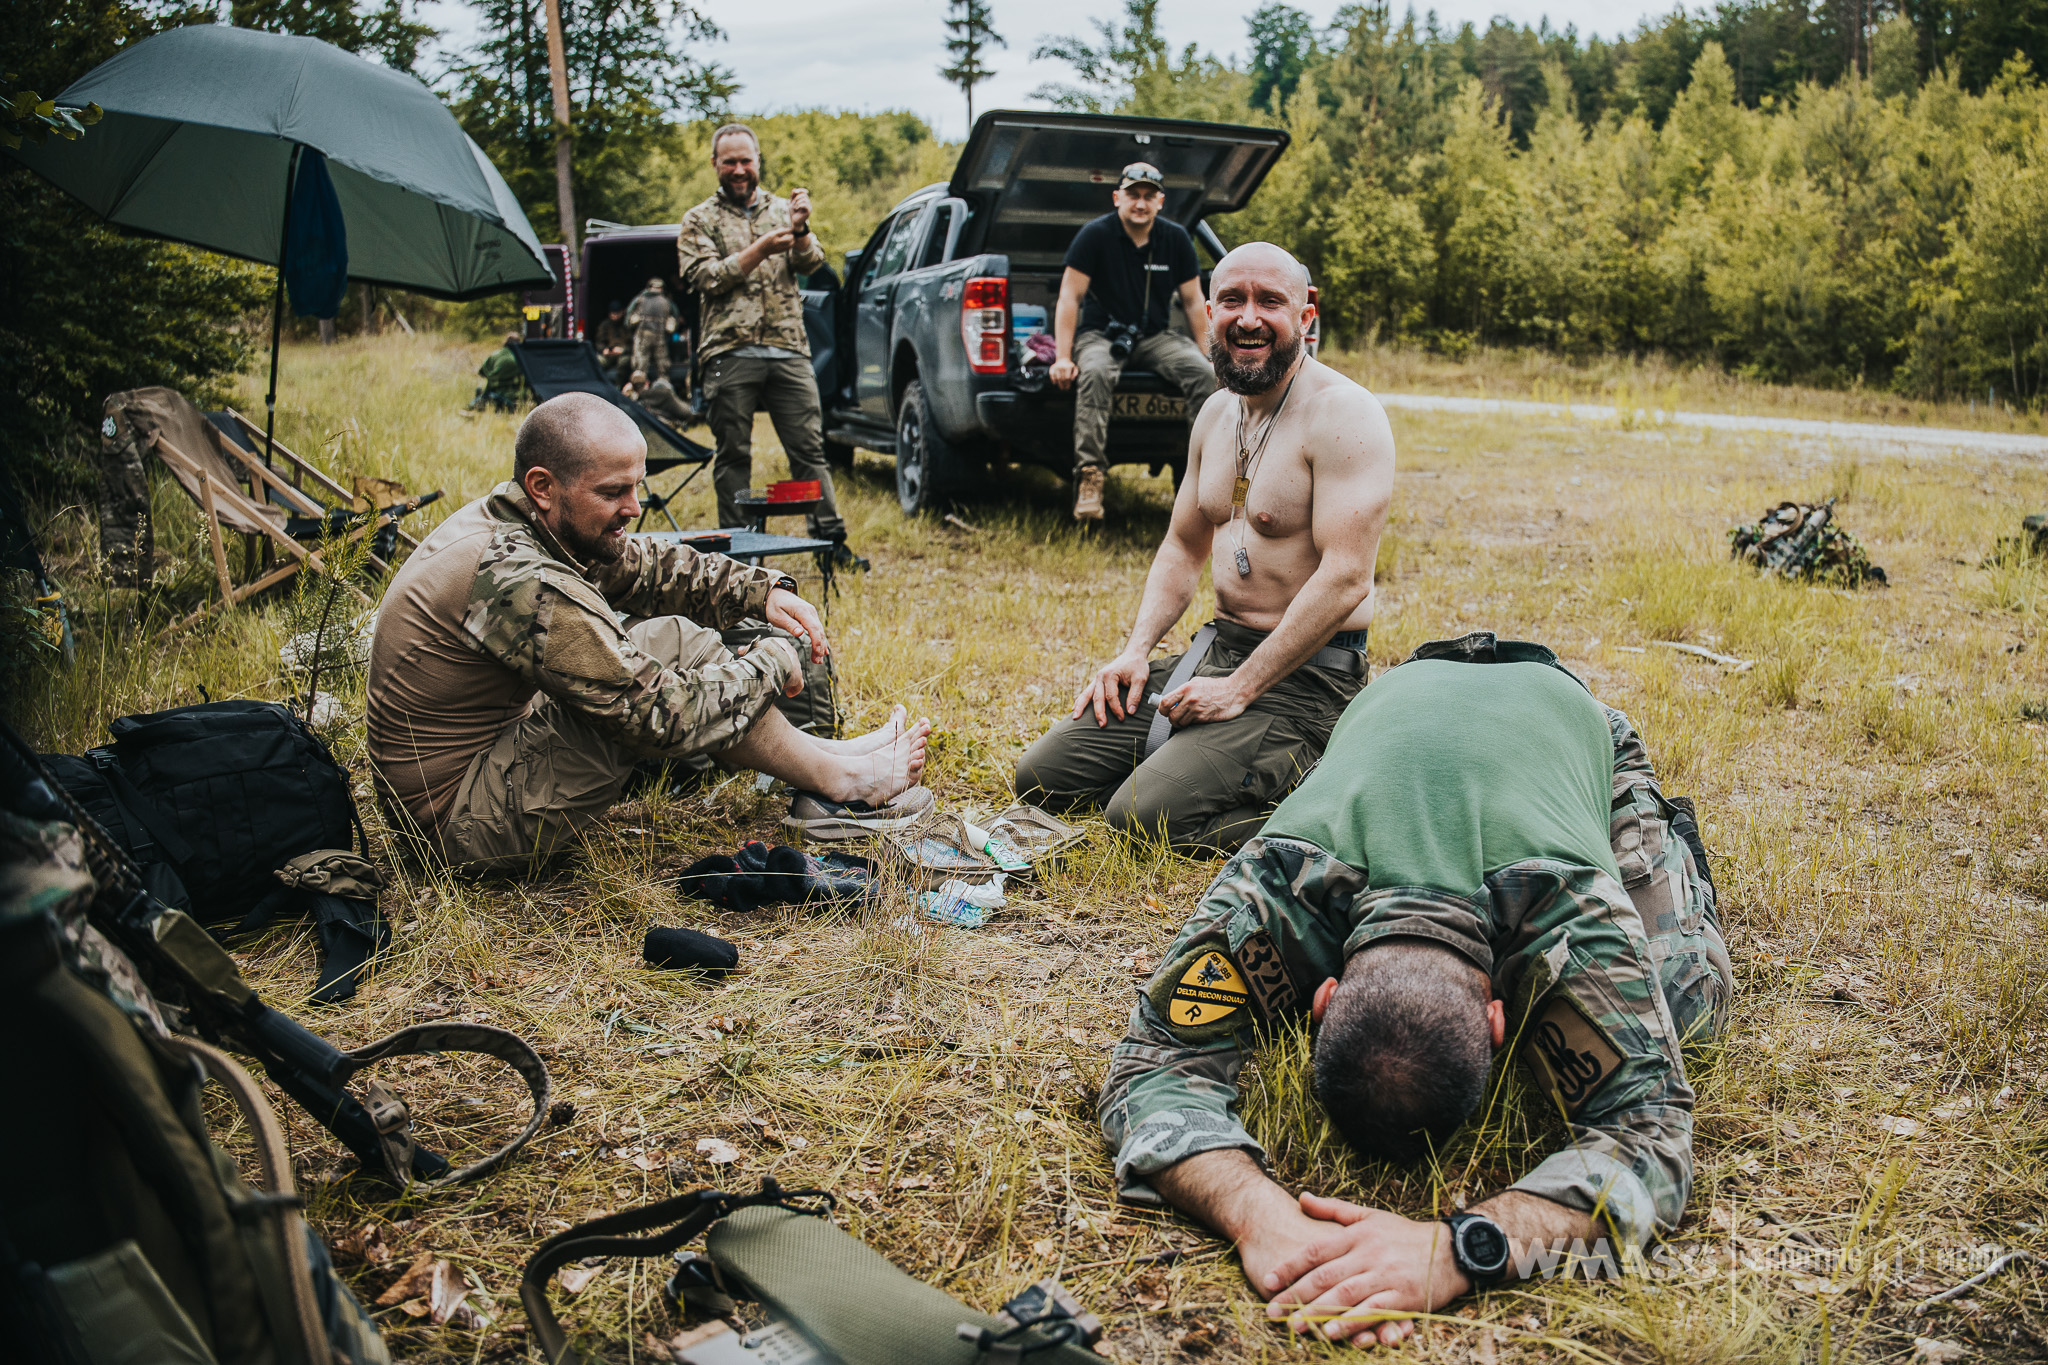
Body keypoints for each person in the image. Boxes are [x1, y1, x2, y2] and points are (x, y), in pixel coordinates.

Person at [1098, 633, 1732, 1346]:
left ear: (1323, 996)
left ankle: (1662, 829)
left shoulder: (1570, 906)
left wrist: (1464, 1248)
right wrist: (1256, 1213)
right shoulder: (1281, 874)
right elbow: (1153, 1058)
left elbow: (1653, 1127)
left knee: (1688, 1007)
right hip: (1400, 691)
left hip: (1571, 717)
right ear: (1498, 1018)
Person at [365, 392, 932, 873]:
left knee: (669, 638)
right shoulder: (517, 576)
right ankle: (836, 777)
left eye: (637, 488)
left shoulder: (534, 520)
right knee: (660, 662)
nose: (634, 508)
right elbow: (662, 717)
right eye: (613, 493)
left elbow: (644, 565)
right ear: (543, 485)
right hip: (453, 830)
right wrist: (772, 663)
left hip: (486, 765)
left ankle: (823, 761)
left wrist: (762, 591)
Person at [1014, 242, 1392, 853]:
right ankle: (1203, 756)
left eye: (1270, 301)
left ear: (1306, 314)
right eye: (1232, 300)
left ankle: (1343, 807)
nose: (1248, 318)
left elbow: (1347, 578)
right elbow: (1181, 548)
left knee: (1141, 818)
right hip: (1215, 652)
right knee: (1042, 780)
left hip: (1307, 679)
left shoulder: (1345, 416)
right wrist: (1136, 652)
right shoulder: (1218, 413)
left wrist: (1240, 688)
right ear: (1208, 310)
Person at [677, 122, 862, 566]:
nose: (739, 169)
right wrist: (759, 249)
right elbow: (703, 277)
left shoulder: (784, 210)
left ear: (758, 162)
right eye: (730, 162)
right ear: (715, 165)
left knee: (809, 449)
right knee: (735, 453)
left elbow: (811, 261)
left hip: (788, 346)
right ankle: (738, 554)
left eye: (746, 161)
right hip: (729, 348)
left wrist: (800, 229)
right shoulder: (699, 219)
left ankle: (830, 543)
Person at [1048, 162, 1218, 521]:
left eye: (1148, 196)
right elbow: (1069, 298)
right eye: (1132, 195)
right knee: (1093, 374)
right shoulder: (1094, 235)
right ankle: (1090, 480)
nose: (1140, 204)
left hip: (1155, 336)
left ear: (1160, 201)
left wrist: (1210, 354)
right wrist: (1063, 357)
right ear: (1117, 198)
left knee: (1203, 375)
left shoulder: (1174, 239)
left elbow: (1192, 301)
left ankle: (1203, 479)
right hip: (1100, 336)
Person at [626, 279, 678, 386]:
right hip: (658, 337)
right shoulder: (666, 301)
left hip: (644, 337)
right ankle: (663, 389)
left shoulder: (639, 299)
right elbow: (675, 317)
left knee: (640, 368)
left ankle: (639, 391)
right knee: (662, 368)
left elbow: (628, 320)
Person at [467, 332, 525, 413]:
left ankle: (472, 407)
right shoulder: (519, 359)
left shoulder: (495, 354)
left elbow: (481, 372)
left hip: (491, 391)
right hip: (508, 397)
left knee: (482, 393)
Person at [594, 300, 632, 383]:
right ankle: (600, 383)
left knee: (624, 362)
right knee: (598, 360)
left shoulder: (627, 325)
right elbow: (599, 341)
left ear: (622, 312)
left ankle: (619, 384)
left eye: (617, 313)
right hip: (609, 353)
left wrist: (623, 350)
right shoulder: (605, 325)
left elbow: (633, 344)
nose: (614, 316)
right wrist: (604, 350)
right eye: (612, 313)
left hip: (623, 353)